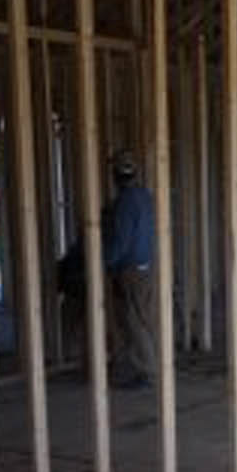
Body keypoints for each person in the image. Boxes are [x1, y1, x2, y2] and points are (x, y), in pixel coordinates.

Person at [102, 150, 156, 389]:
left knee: (133, 322)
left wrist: (107, 263)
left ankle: (147, 372)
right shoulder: (145, 196)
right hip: (145, 267)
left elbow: (121, 242)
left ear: (116, 176)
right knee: (141, 319)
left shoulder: (124, 203)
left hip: (130, 270)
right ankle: (139, 367)